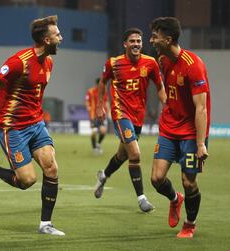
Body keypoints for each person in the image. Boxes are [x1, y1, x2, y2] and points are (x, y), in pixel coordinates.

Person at [0, 15, 65, 236]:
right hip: (12, 127)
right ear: (46, 40)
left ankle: (46, 224)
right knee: (27, 180)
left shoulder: (49, 62)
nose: (61, 38)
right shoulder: (19, 62)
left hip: (36, 123)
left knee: (52, 168)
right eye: (57, 35)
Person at [149, 17, 210, 238]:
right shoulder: (163, 60)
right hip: (169, 128)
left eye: (155, 36)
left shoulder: (194, 66)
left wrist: (201, 144)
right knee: (156, 179)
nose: (151, 40)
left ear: (168, 38)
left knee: (189, 181)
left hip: (192, 134)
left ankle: (189, 224)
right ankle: (176, 200)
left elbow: (201, 108)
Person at [94, 28, 167, 213]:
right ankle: (142, 199)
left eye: (139, 41)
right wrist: (99, 106)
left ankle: (104, 175)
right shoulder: (114, 63)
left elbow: (160, 86)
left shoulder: (150, 63)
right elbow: (103, 82)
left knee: (122, 155)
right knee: (135, 154)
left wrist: (168, 106)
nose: (136, 44)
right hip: (121, 113)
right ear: (125, 44)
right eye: (132, 41)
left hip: (138, 116)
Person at [85, 77, 109, 155]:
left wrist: (108, 111)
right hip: (93, 115)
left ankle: (98, 144)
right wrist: (88, 107)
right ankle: (94, 148)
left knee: (103, 131)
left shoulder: (104, 92)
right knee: (93, 132)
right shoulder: (91, 91)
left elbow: (106, 102)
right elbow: (87, 100)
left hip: (101, 116)